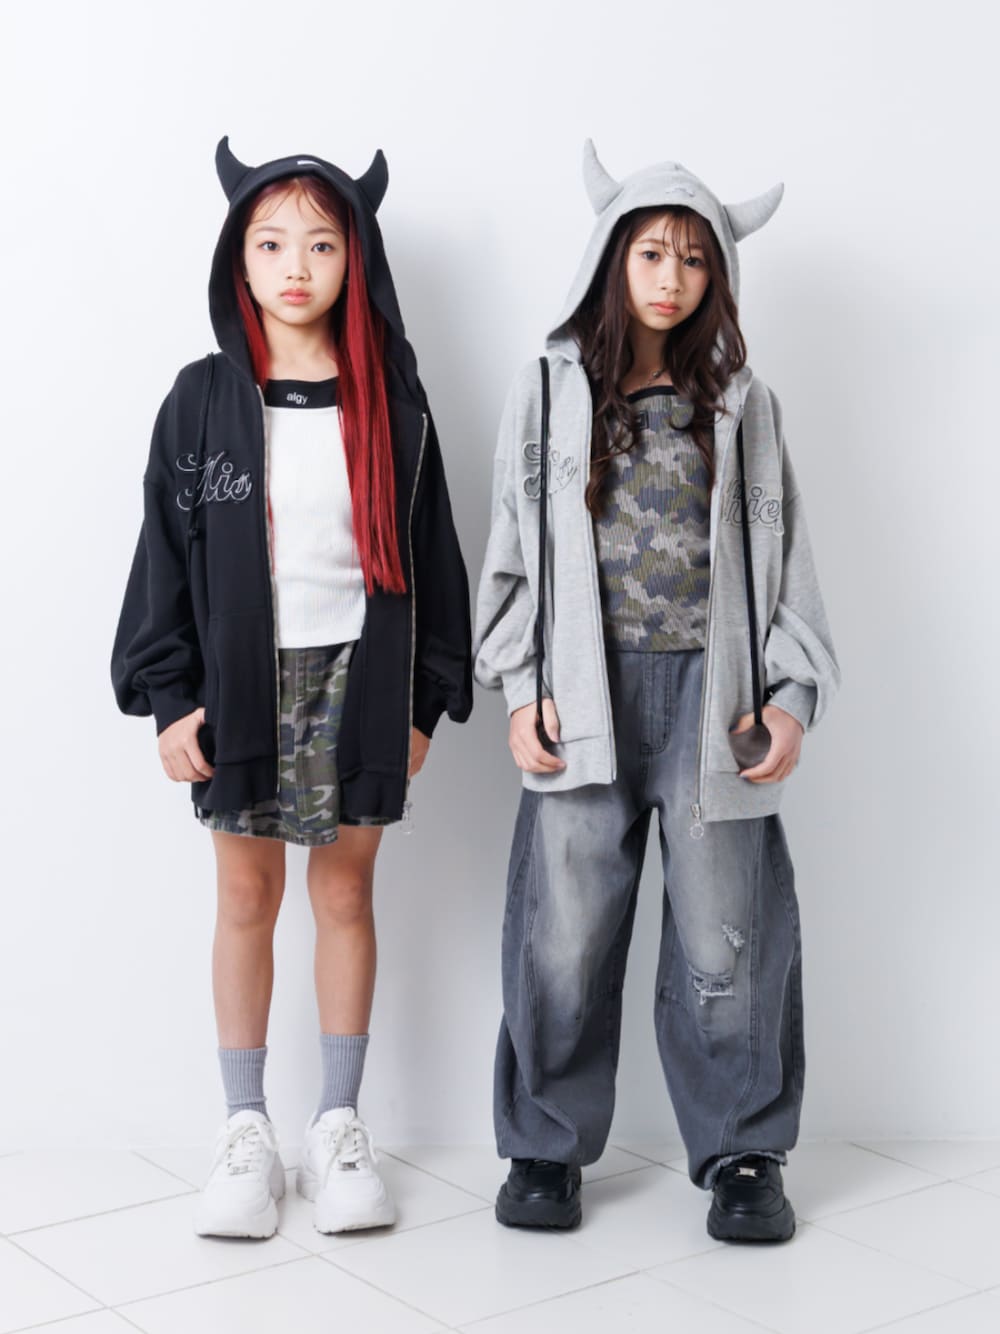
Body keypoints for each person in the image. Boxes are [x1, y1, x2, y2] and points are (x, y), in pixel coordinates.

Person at [473, 141, 839, 1242]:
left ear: (717, 272)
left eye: (692, 256)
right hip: (584, 699)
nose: (670, 275)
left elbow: (787, 557)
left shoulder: (744, 405)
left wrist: (789, 695)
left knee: (727, 936)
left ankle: (743, 1150)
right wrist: (521, 685)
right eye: (650, 252)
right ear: (610, 257)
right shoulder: (549, 393)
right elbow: (511, 550)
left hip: (715, 706)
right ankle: (544, 1148)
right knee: (565, 934)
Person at [112, 138, 472, 1239]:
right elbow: (163, 558)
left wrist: (423, 700)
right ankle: (245, 1130)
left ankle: (338, 1123)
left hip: (362, 677)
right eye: (270, 244)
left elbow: (434, 555)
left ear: (355, 259)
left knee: (346, 895)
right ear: (239, 260)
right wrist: (169, 696)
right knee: (244, 898)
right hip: (240, 686)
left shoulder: (393, 405)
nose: (296, 266)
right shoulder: (201, 401)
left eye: (320, 244)